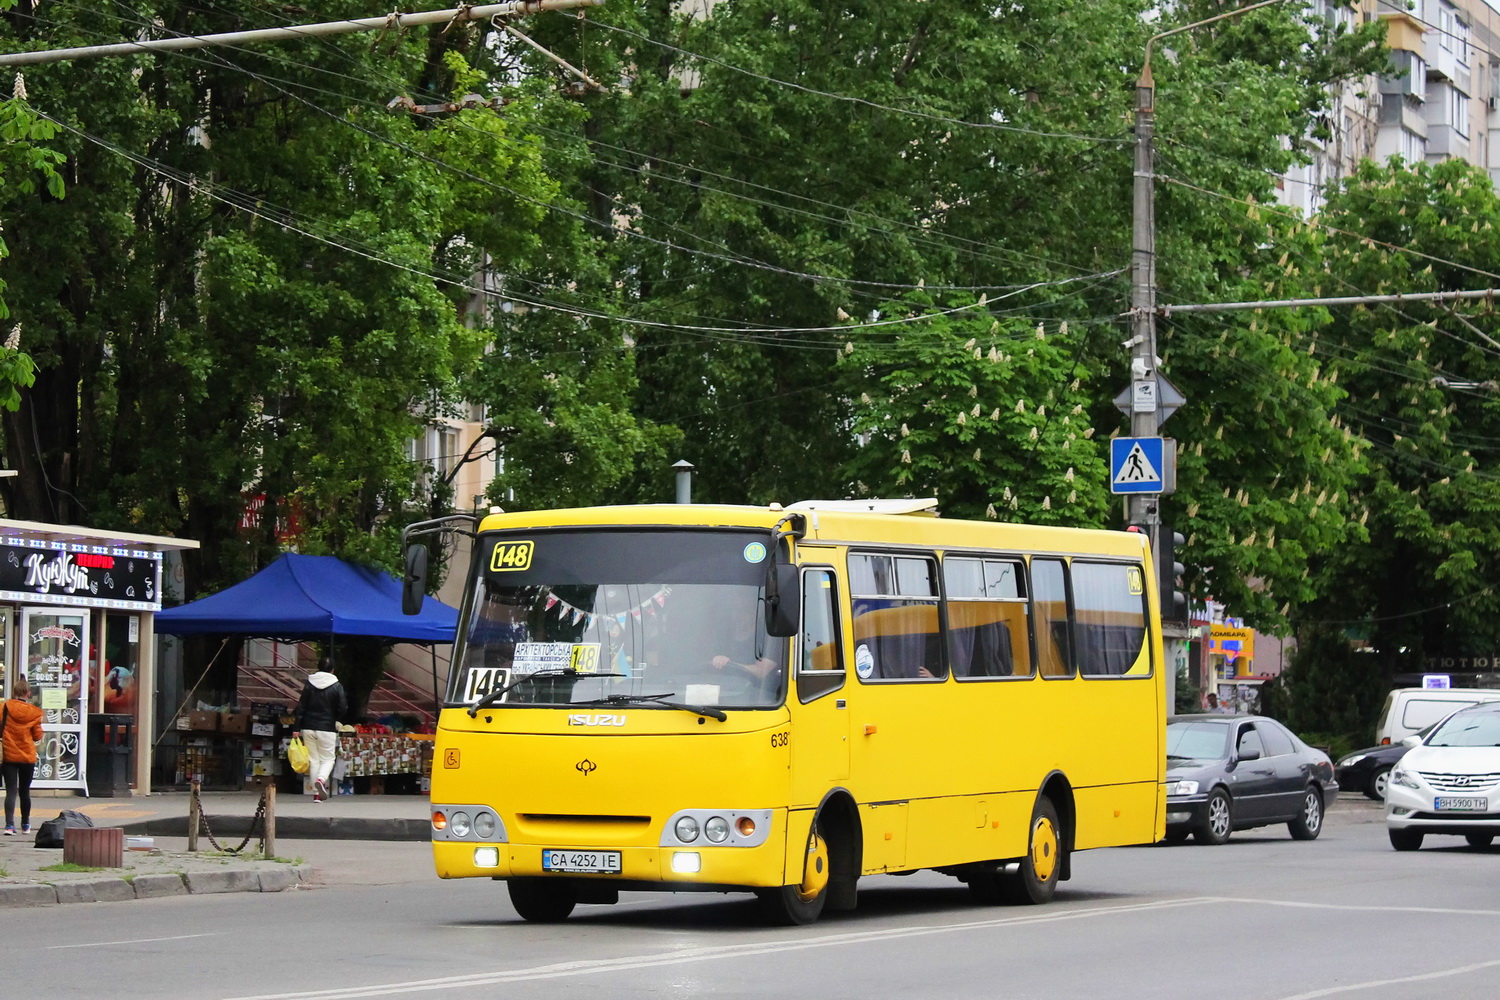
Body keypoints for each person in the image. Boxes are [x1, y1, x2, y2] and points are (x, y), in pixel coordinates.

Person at [293, 659, 347, 803]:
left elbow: (301, 707)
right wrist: (334, 717)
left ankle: (317, 795)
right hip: (327, 728)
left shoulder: (309, 684)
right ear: (333, 670)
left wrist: (296, 728)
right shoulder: (337, 686)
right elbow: (342, 707)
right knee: (328, 758)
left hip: (308, 727)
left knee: (314, 760)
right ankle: (321, 780)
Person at [2, 677, 45, 835]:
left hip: (8, 755)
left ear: (14, 692)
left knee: (11, 790)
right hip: (27, 756)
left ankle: (9, 825)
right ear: (28, 693)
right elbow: (37, 736)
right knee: (25, 791)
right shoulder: (34, 713)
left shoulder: (4, 707)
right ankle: (25, 824)